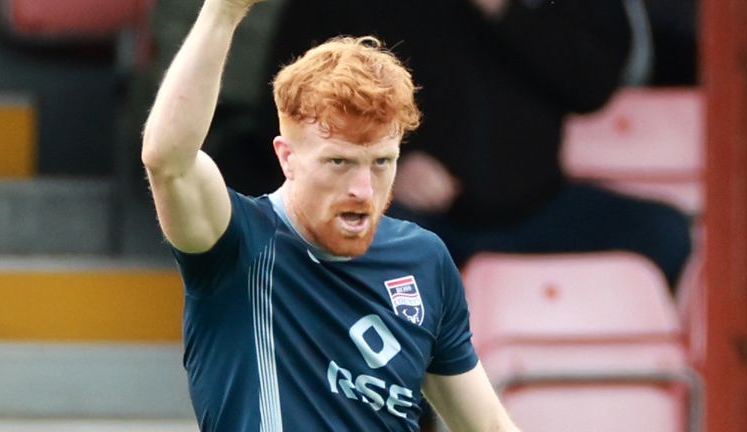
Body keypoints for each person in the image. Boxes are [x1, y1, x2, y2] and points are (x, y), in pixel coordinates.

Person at [141, 0, 521, 430]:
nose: (363, 189)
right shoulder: (235, 244)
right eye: (339, 162)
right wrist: (222, 14)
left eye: (381, 162)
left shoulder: (424, 260)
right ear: (287, 158)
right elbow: (167, 161)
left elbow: (486, 425)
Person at [250, 0, 693, 291]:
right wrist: (381, 168)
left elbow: (593, 84)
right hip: (411, 217)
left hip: (535, 211)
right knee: (361, 241)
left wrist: (507, 11)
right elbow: (295, 105)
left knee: (662, 234)